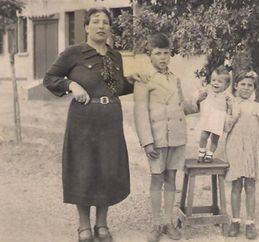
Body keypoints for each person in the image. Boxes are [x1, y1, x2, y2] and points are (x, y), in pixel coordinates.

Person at [43, 8, 137, 242]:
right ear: (86, 27)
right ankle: (84, 226)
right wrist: (71, 86)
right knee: (84, 169)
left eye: (105, 22)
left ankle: (102, 224)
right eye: (96, 21)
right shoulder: (73, 53)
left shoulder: (115, 56)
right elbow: (49, 79)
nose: (101, 26)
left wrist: (132, 83)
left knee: (107, 169)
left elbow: (116, 88)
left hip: (110, 119)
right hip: (83, 119)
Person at [133, 33, 202, 242]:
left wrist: (198, 102)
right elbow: (140, 112)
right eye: (158, 53)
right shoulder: (144, 79)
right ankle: (156, 224)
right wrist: (147, 141)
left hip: (177, 137)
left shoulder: (175, 79)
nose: (162, 57)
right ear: (150, 56)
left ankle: (168, 222)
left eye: (166, 53)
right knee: (156, 178)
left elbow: (182, 107)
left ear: (170, 55)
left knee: (171, 178)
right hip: (157, 137)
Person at [224, 70, 259, 240]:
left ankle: (250, 222)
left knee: (250, 185)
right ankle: (235, 221)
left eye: (250, 85)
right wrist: (232, 112)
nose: (246, 88)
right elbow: (226, 127)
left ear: (254, 88)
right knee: (236, 185)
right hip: (234, 148)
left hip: (251, 149)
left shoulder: (258, 107)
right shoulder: (231, 105)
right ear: (235, 86)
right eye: (242, 84)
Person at [197, 65, 232, 162]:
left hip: (219, 118)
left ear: (226, 85)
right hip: (208, 116)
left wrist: (229, 116)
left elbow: (231, 105)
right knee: (204, 135)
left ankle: (210, 154)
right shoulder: (208, 89)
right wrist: (199, 96)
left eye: (220, 82)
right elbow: (200, 95)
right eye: (213, 80)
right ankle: (201, 152)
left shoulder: (226, 95)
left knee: (215, 138)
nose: (215, 83)